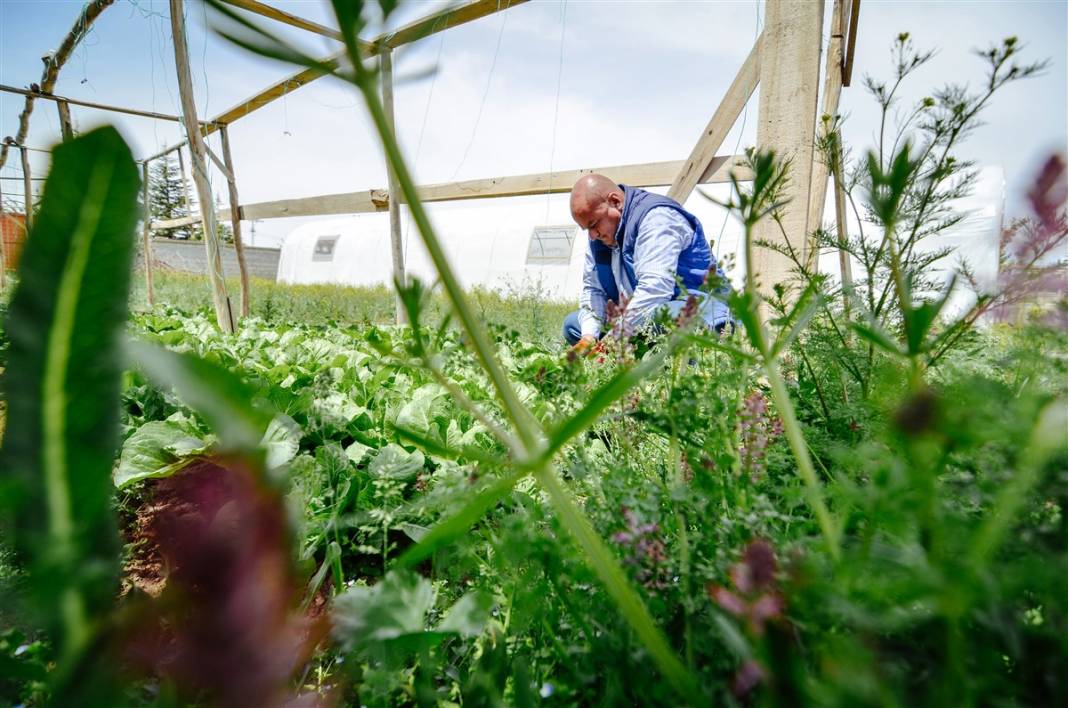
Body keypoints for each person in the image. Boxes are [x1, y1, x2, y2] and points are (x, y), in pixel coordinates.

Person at [562, 174, 731, 352]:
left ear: (615, 202)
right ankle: (634, 358)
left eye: (594, 224)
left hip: (696, 309)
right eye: (586, 229)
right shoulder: (598, 236)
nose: (592, 235)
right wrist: (589, 337)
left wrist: (612, 339)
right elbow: (594, 290)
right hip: (642, 316)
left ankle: (695, 362)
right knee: (573, 324)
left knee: (665, 317)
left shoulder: (656, 218)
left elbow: (655, 290)